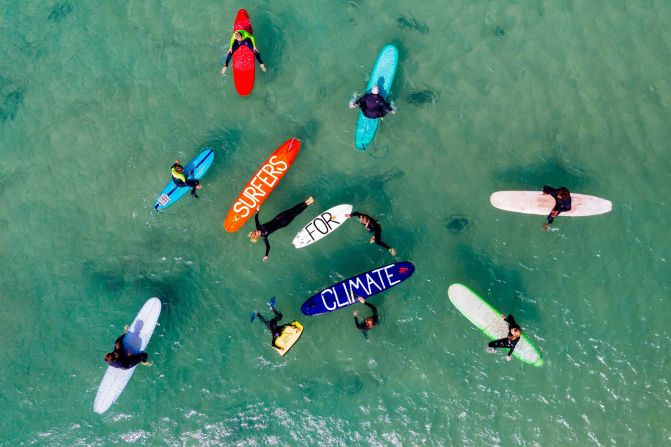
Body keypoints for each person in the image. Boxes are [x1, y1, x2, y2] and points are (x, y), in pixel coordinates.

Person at [249, 197, 314, 261]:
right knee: (295, 214)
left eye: (257, 231)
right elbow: (268, 247)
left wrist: (257, 211)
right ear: (258, 236)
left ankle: (306, 201)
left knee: (292, 209)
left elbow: (256, 218)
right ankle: (307, 204)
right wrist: (266, 255)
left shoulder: (258, 227)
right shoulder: (264, 236)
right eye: (258, 233)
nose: (258, 231)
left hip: (279, 216)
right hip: (284, 222)